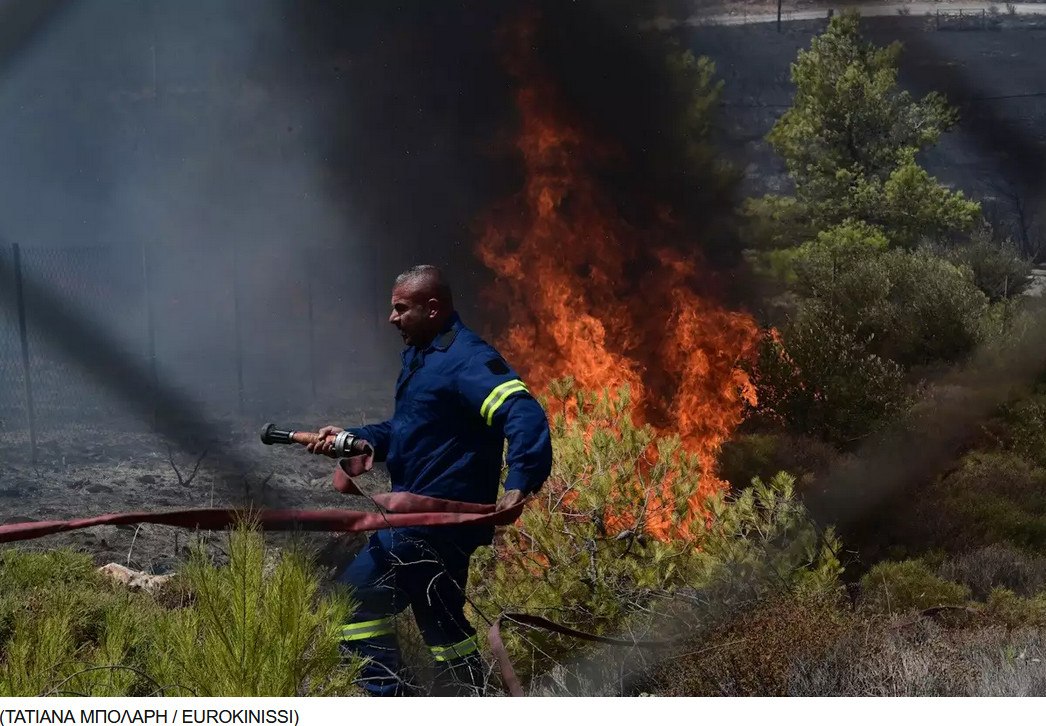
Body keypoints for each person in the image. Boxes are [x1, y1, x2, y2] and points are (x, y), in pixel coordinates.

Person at [307, 264, 553, 696]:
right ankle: (474, 699)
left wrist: (520, 481)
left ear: (433, 308)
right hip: (424, 523)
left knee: (351, 606)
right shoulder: (425, 359)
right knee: (444, 629)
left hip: (431, 525)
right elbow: (410, 432)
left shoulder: (466, 360)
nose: (392, 318)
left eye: (401, 308)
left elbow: (523, 411)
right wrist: (354, 440)